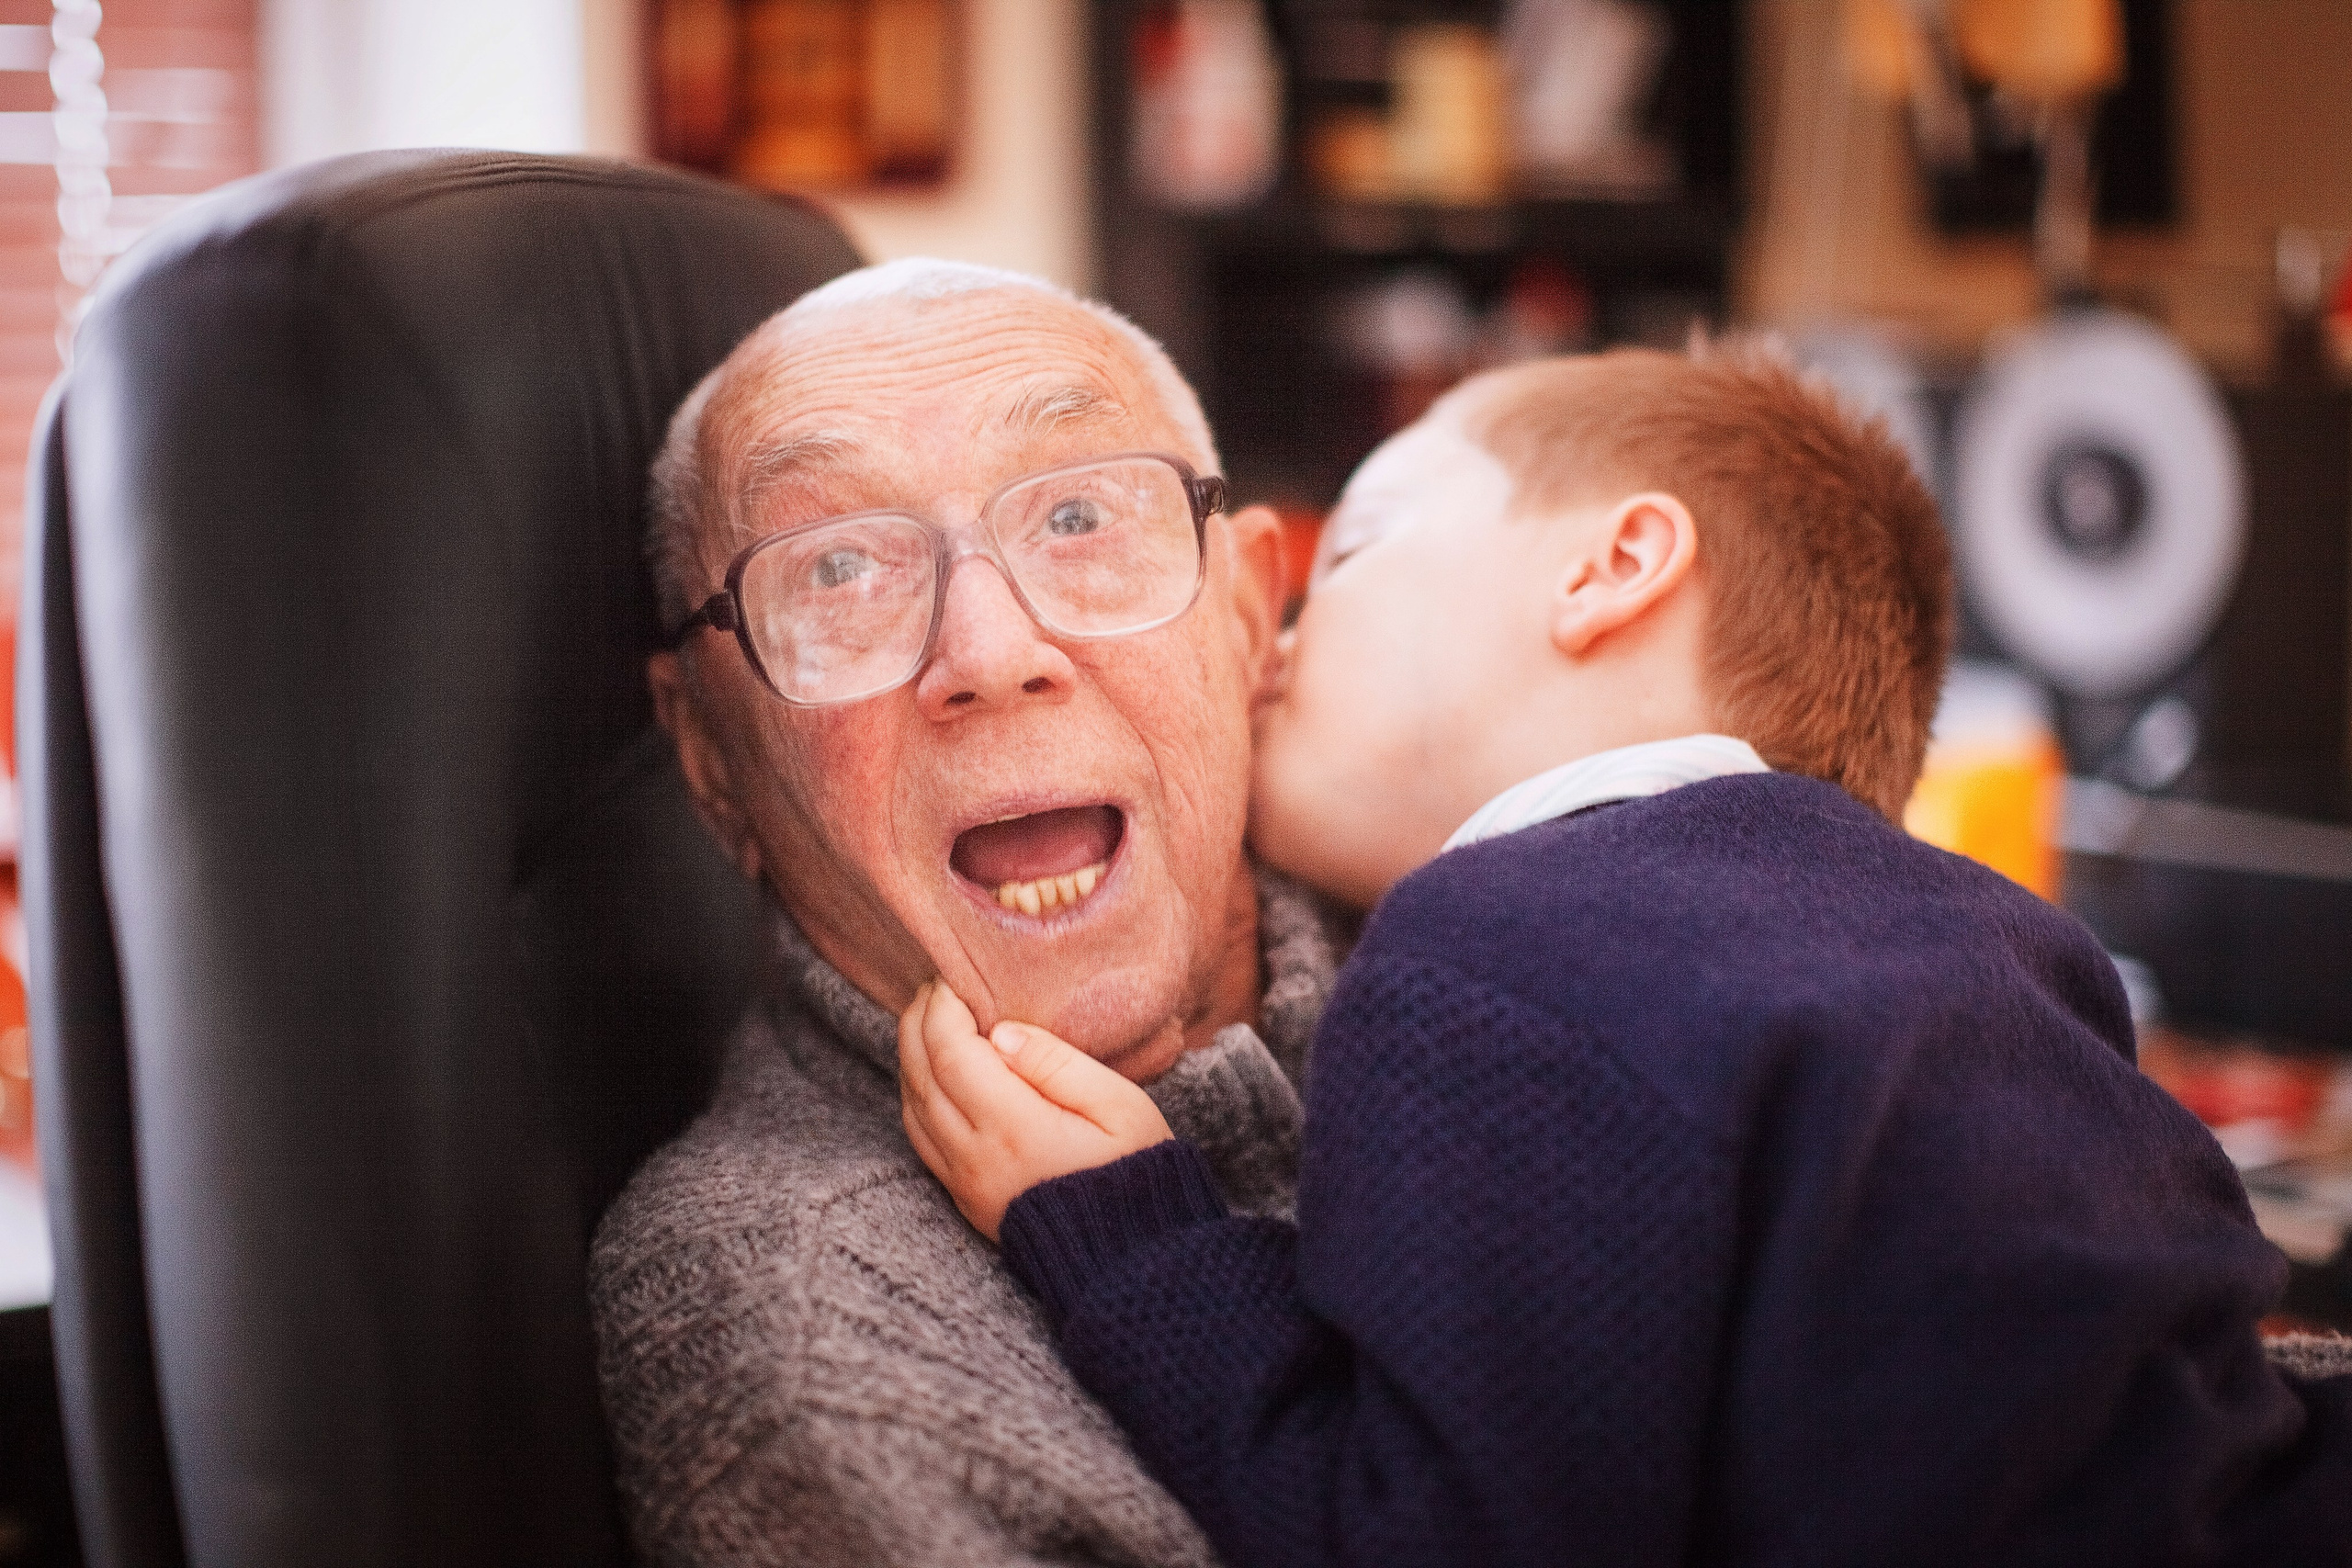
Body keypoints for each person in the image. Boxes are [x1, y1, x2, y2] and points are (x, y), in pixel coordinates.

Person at [899, 344, 2352, 1568]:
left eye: (1350, 551)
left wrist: (1134, 1237)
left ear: (1615, 568)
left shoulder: (1491, 950)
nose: (1269, 642)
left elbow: (1437, 1538)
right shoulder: (1994, 928)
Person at [590, 258, 1343, 1567]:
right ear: (711, 760)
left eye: (1075, 519)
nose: (991, 653)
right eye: (836, 568)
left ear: (1247, 616)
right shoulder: (813, 1325)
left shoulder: (1522, 924)